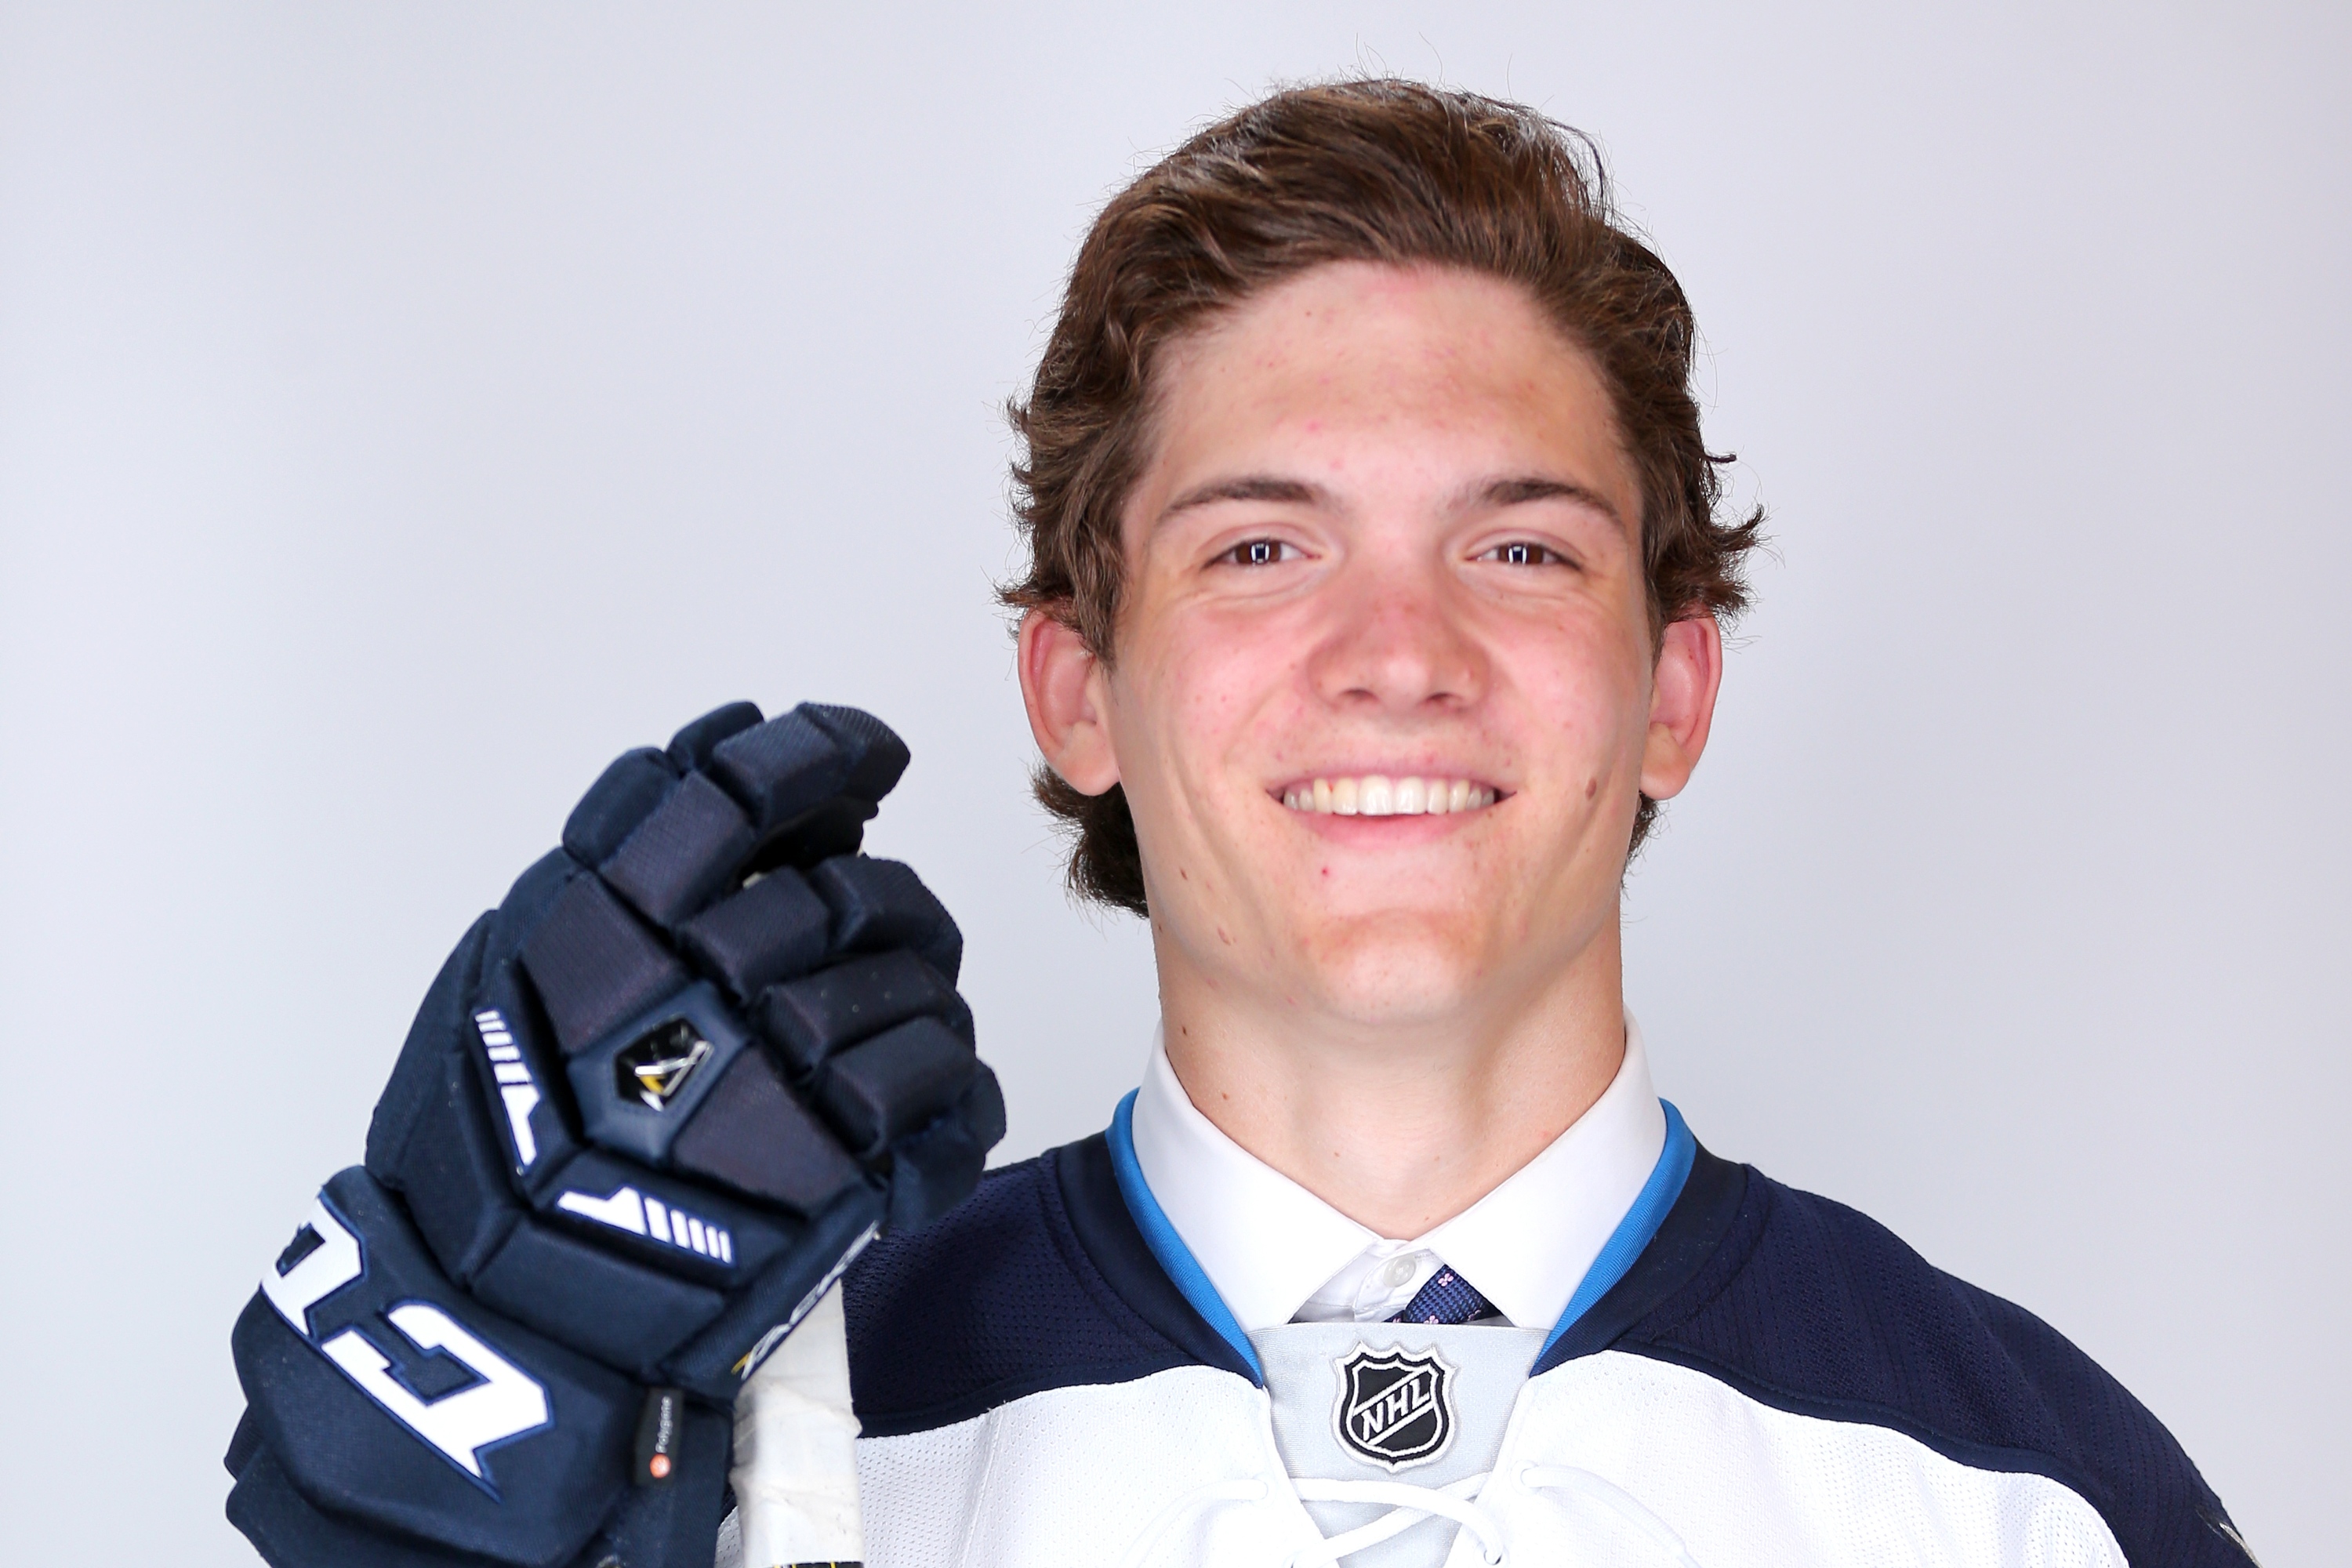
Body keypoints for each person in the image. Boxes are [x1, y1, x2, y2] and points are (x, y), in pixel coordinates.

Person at [223, 80, 2254, 1568]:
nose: (1398, 651)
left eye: (1524, 550)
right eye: (1267, 545)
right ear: (1080, 688)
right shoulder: (736, 1466)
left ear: (1675, 690)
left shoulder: (2038, 1499)